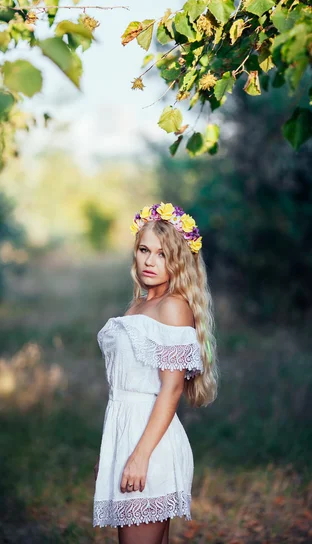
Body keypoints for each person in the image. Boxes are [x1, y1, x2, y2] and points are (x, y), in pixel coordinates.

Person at [92, 202, 219, 544]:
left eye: (162, 254)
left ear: (178, 260)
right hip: (127, 436)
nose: (149, 261)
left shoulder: (173, 307)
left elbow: (172, 389)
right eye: (144, 250)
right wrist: (111, 455)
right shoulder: (139, 304)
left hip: (150, 444)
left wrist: (139, 456)